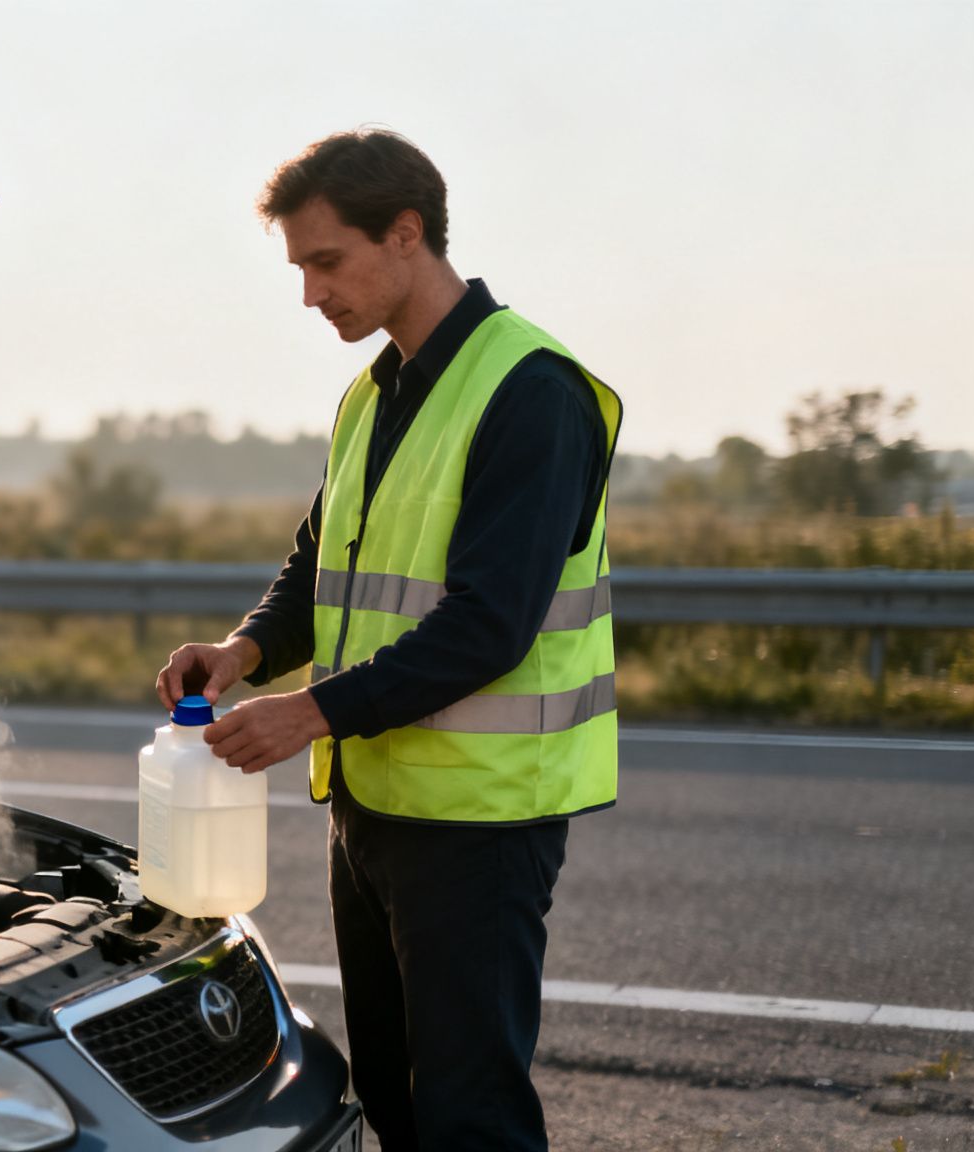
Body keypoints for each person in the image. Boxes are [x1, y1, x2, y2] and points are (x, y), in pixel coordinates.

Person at [154, 130, 621, 1151]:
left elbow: (488, 626)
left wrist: (308, 711)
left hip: (477, 823)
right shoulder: (373, 393)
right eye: (300, 270)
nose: (311, 295)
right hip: (369, 808)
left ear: (405, 235)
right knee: (398, 1109)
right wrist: (241, 653)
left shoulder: (529, 390)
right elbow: (318, 568)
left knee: (469, 1121)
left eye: (326, 262)